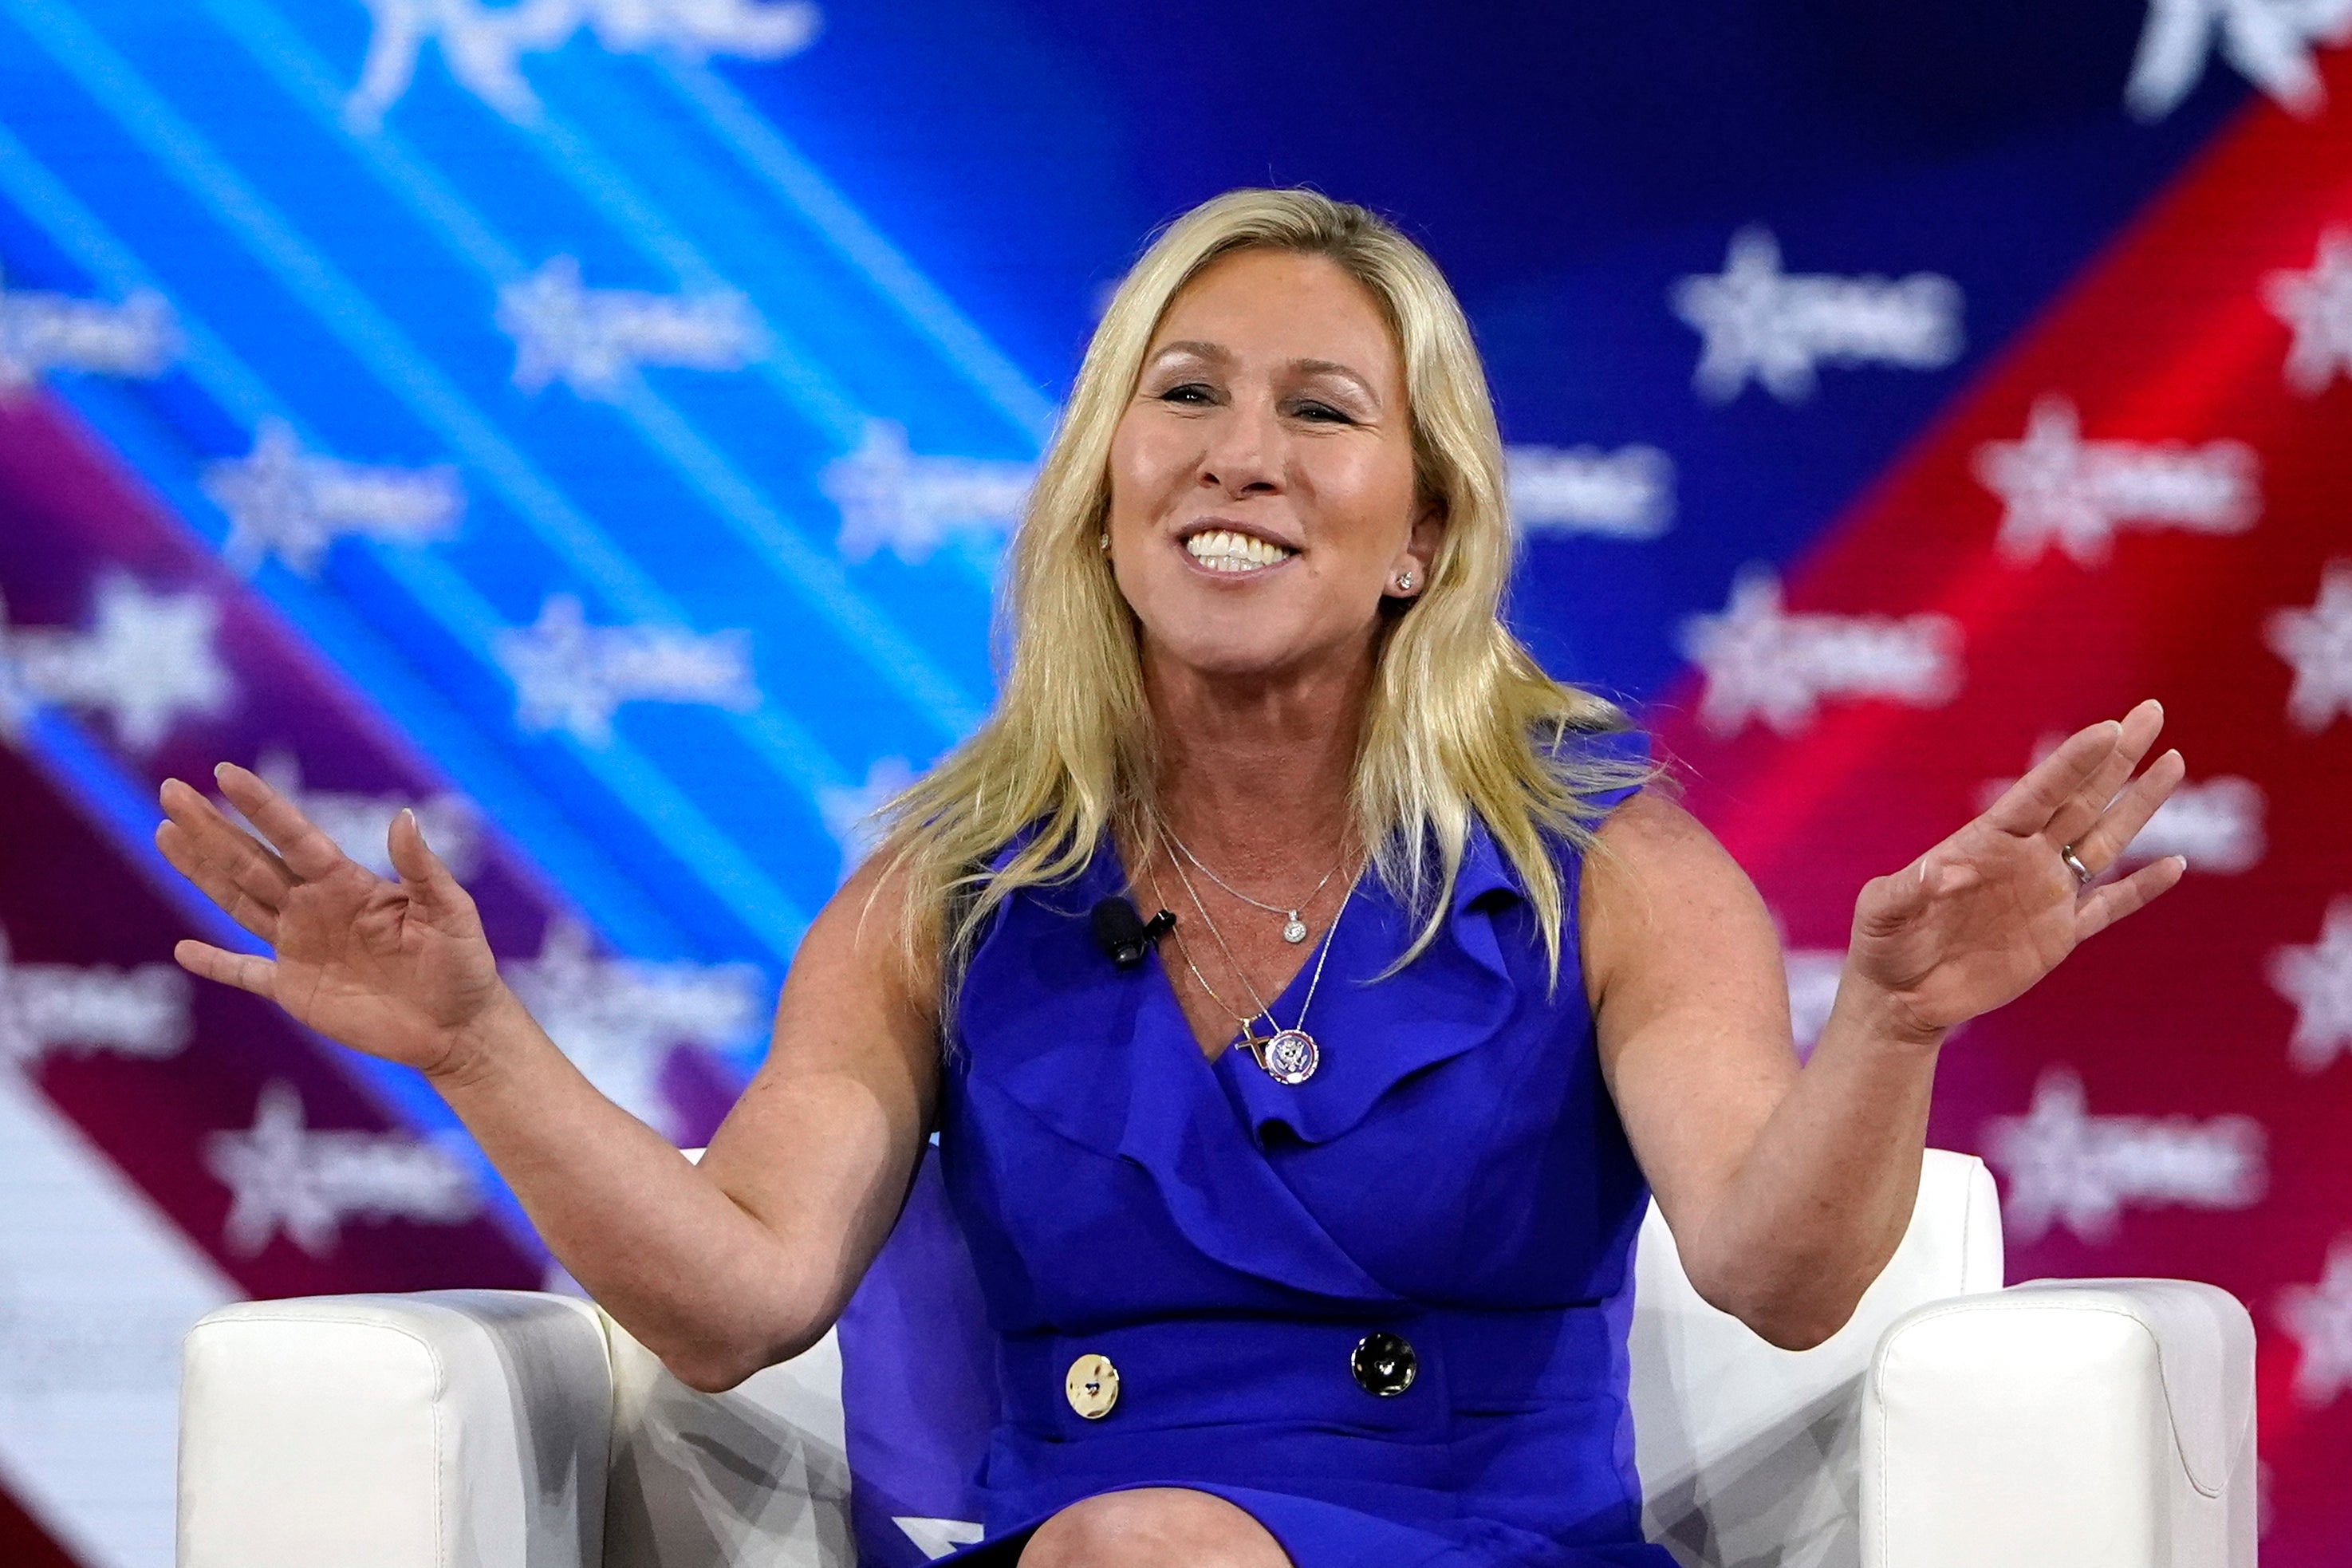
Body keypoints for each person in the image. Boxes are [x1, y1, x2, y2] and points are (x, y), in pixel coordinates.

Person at [155, 188, 2186, 1568]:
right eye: (1186, 394)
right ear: (1102, 489)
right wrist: (480, 1045)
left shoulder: (1603, 867)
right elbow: (737, 1296)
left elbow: (1774, 1260)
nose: (1239, 451)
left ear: (1417, 531)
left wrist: (1896, 1020)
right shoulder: (946, 890)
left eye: (1322, 411)